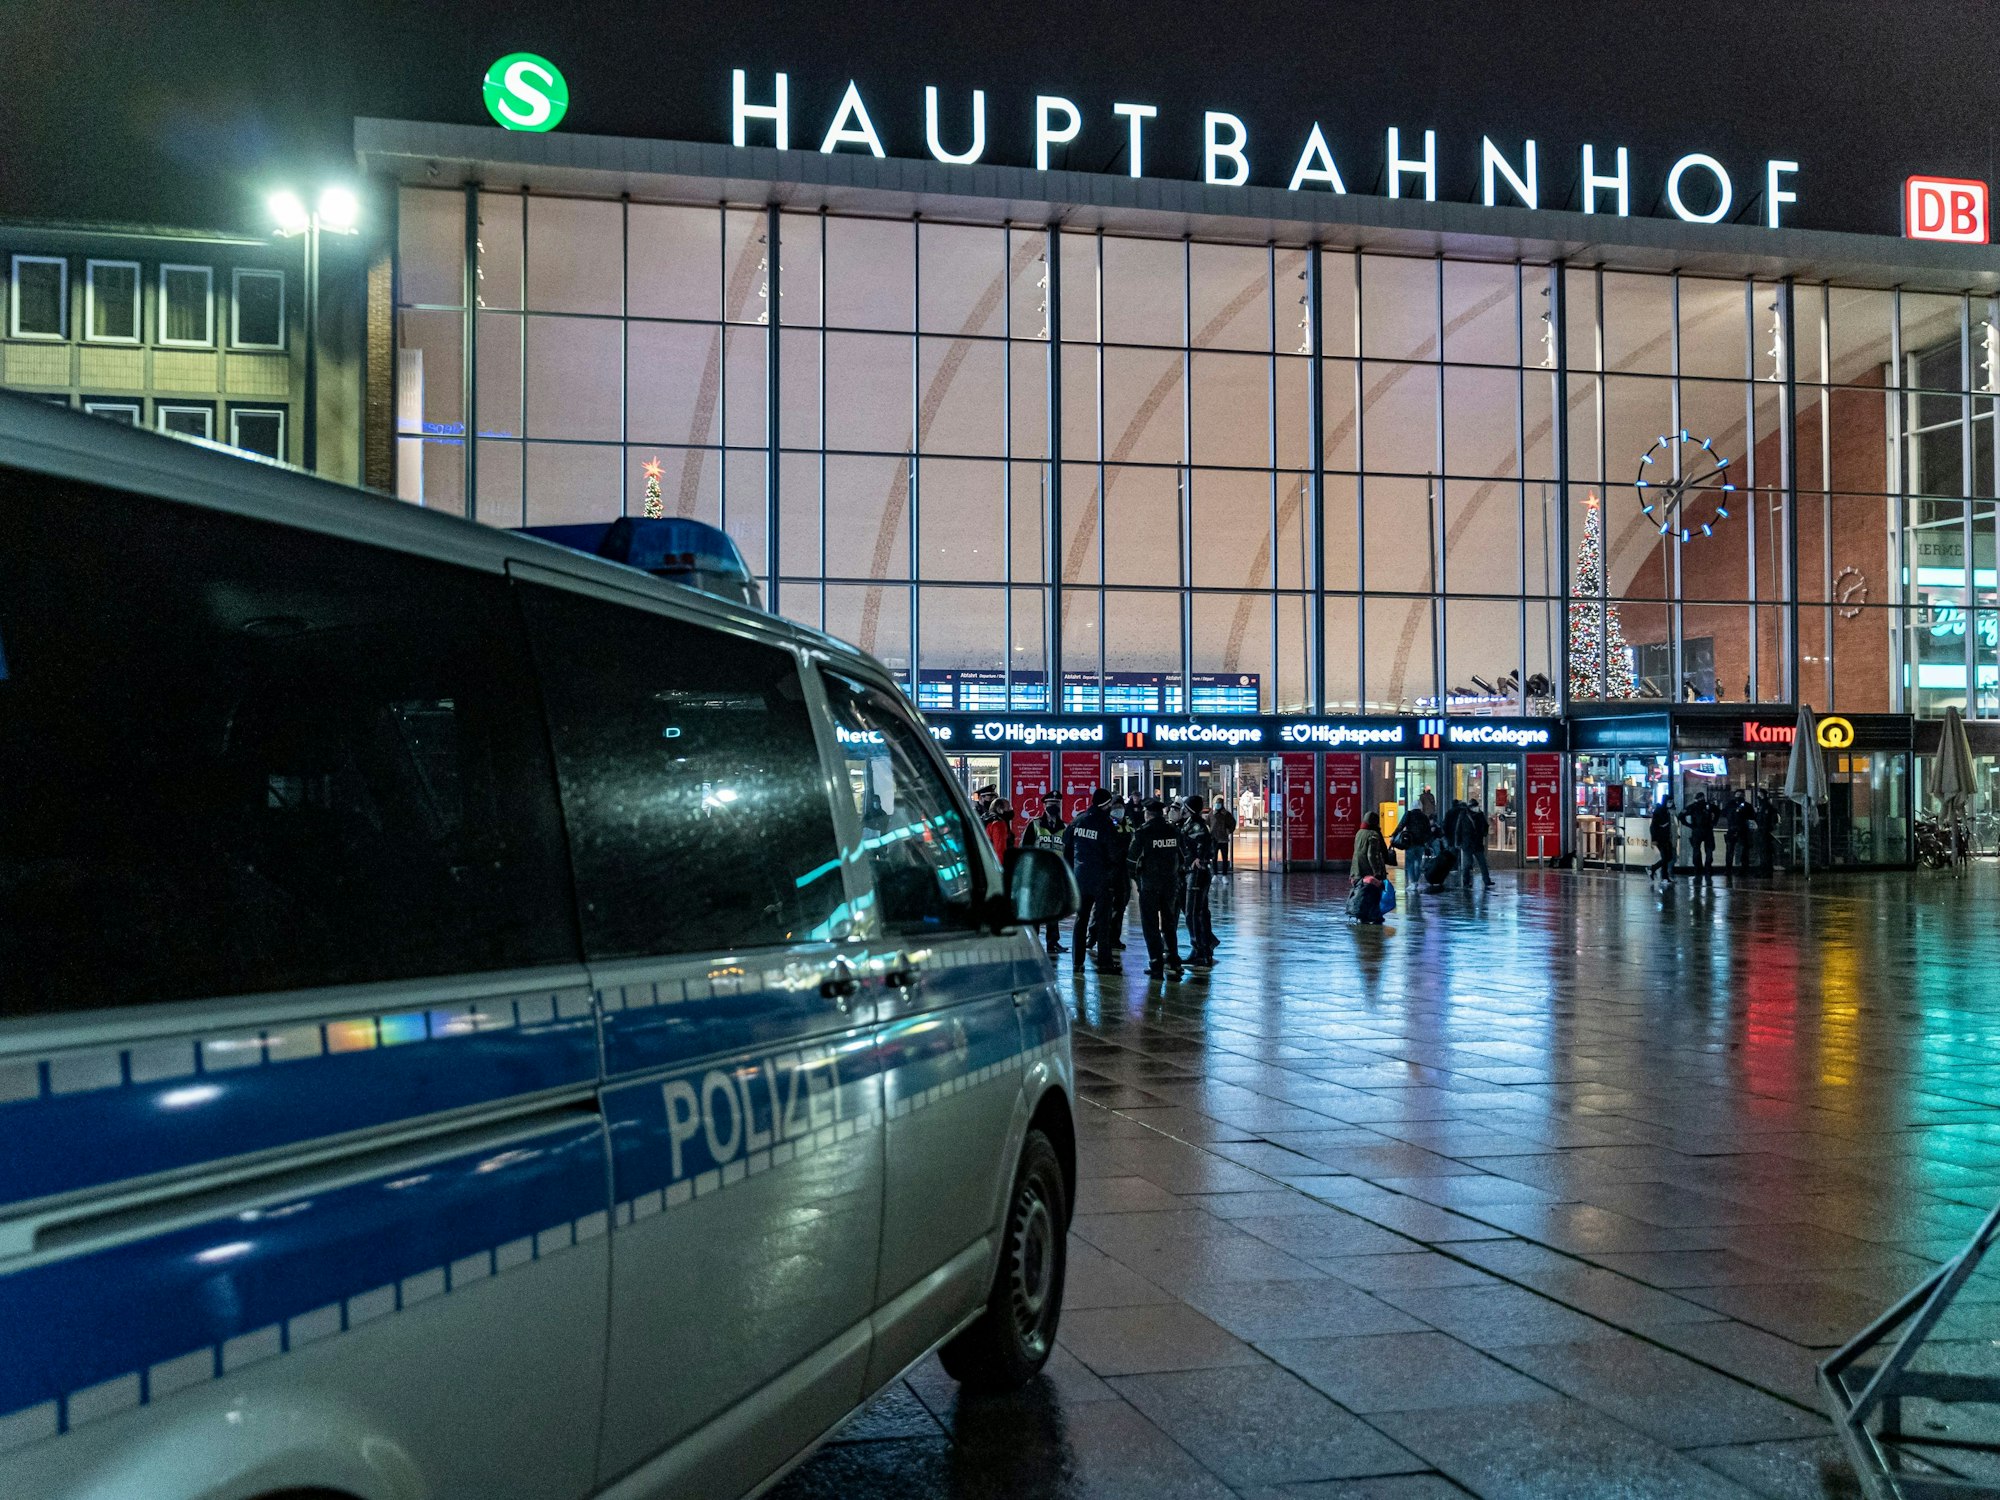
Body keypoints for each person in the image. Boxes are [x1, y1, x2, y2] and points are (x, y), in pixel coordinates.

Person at [1063, 788, 1122, 972]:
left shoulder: (1078, 820)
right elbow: (1114, 853)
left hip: (1080, 878)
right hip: (1101, 880)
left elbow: (1067, 846)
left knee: (1081, 920)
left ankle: (1077, 962)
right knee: (1103, 921)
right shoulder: (1105, 824)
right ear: (1105, 805)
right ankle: (1105, 962)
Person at [1129, 798, 1185, 978]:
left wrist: (1136, 879)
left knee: (1150, 925)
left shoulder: (1143, 832)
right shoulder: (1173, 830)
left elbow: (1131, 860)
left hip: (1149, 885)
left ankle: (1156, 964)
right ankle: (1174, 960)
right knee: (1169, 923)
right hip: (1170, 885)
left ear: (1147, 814)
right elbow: (1182, 856)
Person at [1024, 794, 1068, 951]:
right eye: (1050, 803)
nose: (1054, 806)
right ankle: (1033, 940)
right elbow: (1026, 848)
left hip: (1056, 874)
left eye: (1056, 803)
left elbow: (1068, 852)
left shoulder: (1065, 827)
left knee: (1053, 909)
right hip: (1038, 873)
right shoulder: (1035, 825)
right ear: (1044, 805)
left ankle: (1052, 942)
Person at [1180, 793, 1218, 967]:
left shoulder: (1196, 825)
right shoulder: (1190, 824)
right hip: (1194, 872)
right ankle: (1205, 945)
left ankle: (1200, 949)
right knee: (1200, 911)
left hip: (1196, 874)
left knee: (1193, 913)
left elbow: (1203, 843)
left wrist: (1199, 860)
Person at [1349, 810, 1389, 924]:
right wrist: (1377, 871)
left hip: (1356, 870)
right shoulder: (1373, 834)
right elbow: (1372, 855)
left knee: (1363, 893)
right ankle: (1374, 915)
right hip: (1368, 871)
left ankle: (1363, 915)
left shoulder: (1359, 833)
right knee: (1374, 893)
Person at [1457, 796, 1494, 888]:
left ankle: (1487, 880)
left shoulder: (1480, 815)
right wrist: (1458, 842)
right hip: (1468, 843)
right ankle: (1466, 882)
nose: (1477, 808)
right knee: (1467, 864)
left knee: (1482, 863)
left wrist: (1484, 832)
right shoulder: (1464, 815)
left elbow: (1485, 825)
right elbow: (1458, 829)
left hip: (1477, 843)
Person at [1391, 799, 1431, 883]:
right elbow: (1428, 831)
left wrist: (1394, 834)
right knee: (1418, 863)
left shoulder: (1408, 814)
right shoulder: (1424, 816)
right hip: (1421, 843)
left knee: (1410, 863)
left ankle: (1412, 882)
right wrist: (1427, 842)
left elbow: (1401, 825)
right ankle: (1416, 881)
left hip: (1410, 842)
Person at [1679, 791, 1717, 880]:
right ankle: (1708, 868)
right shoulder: (1708, 806)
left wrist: (1689, 825)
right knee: (1708, 850)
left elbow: (1681, 815)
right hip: (1707, 830)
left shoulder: (1693, 806)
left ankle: (1698, 869)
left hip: (1697, 830)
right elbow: (1718, 812)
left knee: (1696, 850)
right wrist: (1713, 822)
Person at [1648, 798, 1677, 889]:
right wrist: (1654, 839)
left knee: (1669, 857)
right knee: (1666, 857)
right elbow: (1653, 826)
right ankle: (1664, 877)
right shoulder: (1659, 811)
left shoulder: (1666, 811)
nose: (1670, 803)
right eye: (1669, 801)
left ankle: (1653, 869)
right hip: (1660, 839)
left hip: (1666, 838)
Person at [1724, 790, 1755, 872]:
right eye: (1737, 794)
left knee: (1743, 850)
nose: (1738, 796)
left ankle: (1743, 868)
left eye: (1740, 795)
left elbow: (1752, 816)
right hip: (1734, 829)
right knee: (1731, 850)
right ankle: (1729, 869)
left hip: (1742, 829)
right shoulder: (1730, 805)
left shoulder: (1746, 806)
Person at [984, 798, 1015, 865]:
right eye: (1009, 807)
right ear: (999, 809)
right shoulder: (999, 824)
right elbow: (1000, 850)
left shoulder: (987, 819)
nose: (1011, 810)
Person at [1211, 799, 1238, 874]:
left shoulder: (1227, 814)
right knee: (1214, 857)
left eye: (1219, 803)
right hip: (1214, 839)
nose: (1217, 805)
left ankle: (1224, 874)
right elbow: (1207, 823)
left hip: (1223, 839)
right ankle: (1214, 873)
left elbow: (1233, 823)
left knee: (1224, 857)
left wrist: (1229, 831)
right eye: (1216, 803)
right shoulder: (1212, 814)